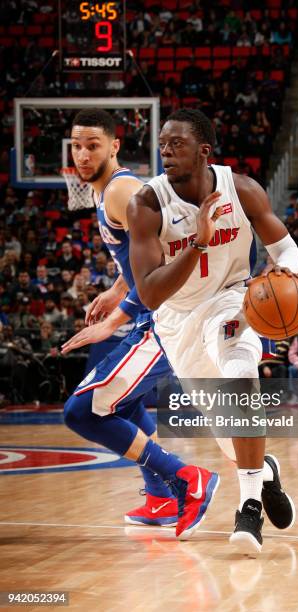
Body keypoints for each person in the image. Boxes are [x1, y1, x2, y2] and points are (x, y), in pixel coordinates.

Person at [127, 109, 298, 554]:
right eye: (163, 143)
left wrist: (282, 278)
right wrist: (199, 243)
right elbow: (148, 295)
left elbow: (287, 251)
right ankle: (265, 473)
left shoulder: (241, 189)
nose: (166, 150)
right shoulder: (146, 205)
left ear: (204, 151)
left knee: (241, 374)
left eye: (177, 143)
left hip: (231, 300)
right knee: (230, 433)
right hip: (177, 319)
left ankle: (248, 508)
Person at [61, 108, 219, 539]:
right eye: (76, 145)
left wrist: (115, 318)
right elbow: (141, 252)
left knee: (82, 412)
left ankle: (187, 477)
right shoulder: (105, 193)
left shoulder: (121, 191)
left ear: (114, 146)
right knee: (124, 405)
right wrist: (117, 288)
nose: (82, 154)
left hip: (168, 317)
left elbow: (166, 254)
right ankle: (162, 496)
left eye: (93, 145)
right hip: (161, 314)